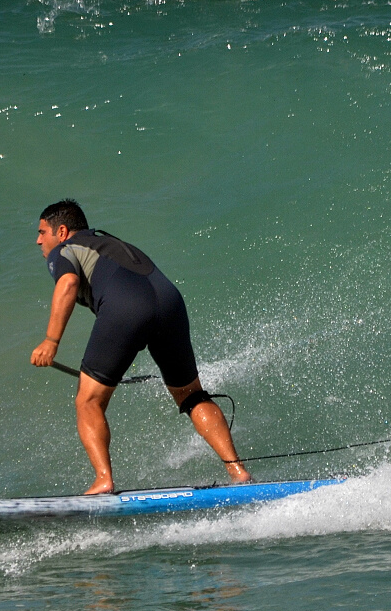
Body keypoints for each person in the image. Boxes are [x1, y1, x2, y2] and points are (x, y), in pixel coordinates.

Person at [30, 199, 253, 495]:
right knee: (191, 395)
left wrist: (51, 341)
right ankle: (238, 471)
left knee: (88, 401)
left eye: (42, 232)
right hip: (170, 303)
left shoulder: (65, 250)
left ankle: (103, 481)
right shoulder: (111, 244)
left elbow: (68, 283)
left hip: (127, 307)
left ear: (61, 231)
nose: (38, 240)